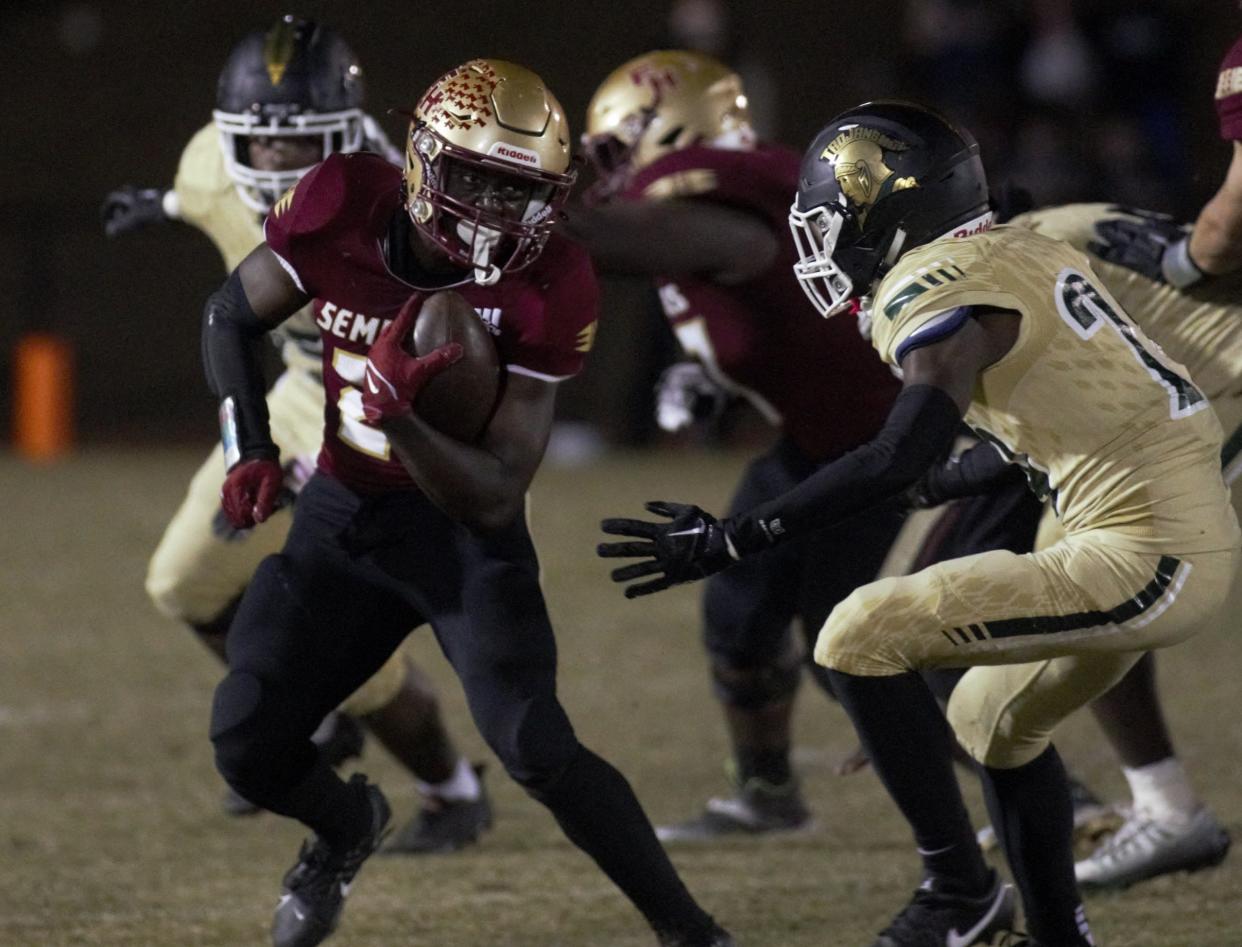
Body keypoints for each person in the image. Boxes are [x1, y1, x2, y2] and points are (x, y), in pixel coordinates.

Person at [599, 101, 1240, 946]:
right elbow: (1034, 440)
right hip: (1157, 518)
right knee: (988, 719)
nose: (820, 244)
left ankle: (956, 892)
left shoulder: (930, 284)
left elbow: (896, 451)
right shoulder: (1025, 248)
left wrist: (734, 537)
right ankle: (1057, 933)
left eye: (830, 222)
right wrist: (928, 484)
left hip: (1142, 545)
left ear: (889, 210)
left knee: (856, 633)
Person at [200, 57, 734, 947]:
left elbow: (495, 497)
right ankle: (344, 829)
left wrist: (398, 415)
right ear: (421, 160)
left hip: (459, 539)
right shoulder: (338, 204)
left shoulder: (553, 277)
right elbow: (229, 312)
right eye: (474, 179)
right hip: (344, 520)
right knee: (246, 738)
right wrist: (247, 444)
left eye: (517, 190)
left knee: (536, 745)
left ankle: (692, 932)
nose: (491, 210)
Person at [99, 14, 490, 853]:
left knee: (338, 610)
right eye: (260, 146)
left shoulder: (397, 198)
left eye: (300, 144)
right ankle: (318, 718)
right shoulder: (209, 163)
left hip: (376, 393)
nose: (276, 163)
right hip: (294, 382)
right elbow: (209, 198)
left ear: (346, 132)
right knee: (183, 582)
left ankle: (450, 786)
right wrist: (161, 204)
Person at [561, 49, 905, 839]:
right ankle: (768, 792)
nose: (609, 175)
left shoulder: (707, 208)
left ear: (675, 127)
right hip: (828, 439)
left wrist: (505, 207)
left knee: (849, 647)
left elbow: (608, 243)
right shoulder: (719, 211)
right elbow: (769, 312)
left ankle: (1051, 801)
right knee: (740, 610)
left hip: (897, 444)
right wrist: (712, 375)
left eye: (617, 152)